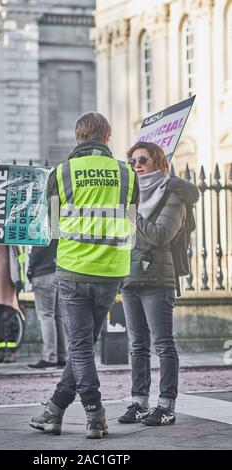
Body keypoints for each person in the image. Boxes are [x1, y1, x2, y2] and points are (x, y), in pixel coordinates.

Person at [29, 112, 138, 439]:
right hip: (111, 270)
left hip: (74, 269)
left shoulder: (61, 174)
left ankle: (95, 413)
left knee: (79, 347)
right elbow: (131, 225)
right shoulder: (126, 174)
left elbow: (52, 226)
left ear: (78, 138)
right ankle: (54, 410)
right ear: (107, 137)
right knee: (83, 343)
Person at [118, 142, 199, 426]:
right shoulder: (132, 194)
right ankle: (139, 402)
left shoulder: (173, 195)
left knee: (163, 344)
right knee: (137, 344)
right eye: (132, 161)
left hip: (157, 280)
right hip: (129, 277)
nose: (136, 165)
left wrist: (130, 214)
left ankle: (166, 405)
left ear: (158, 162)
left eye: (142, 159)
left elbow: (161, 235)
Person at [26, 239, 67, 369]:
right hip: (59, 272)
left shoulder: (42, 225)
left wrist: (30, 269)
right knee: (58, 317)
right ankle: (62, 356)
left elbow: (37, 251)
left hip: (43, 273)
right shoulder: (60, 223)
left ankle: (49, 357)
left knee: (46, 316)